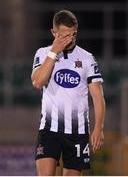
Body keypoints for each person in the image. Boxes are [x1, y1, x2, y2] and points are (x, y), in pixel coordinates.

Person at [31, 9, 106, 176]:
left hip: (77, 132)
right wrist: (54, 52)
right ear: (54, 32)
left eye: (73, 34)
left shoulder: (87, 58)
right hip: (49, 130)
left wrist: (99, 128)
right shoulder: (43, 53)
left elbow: (98, 97)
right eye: (64, 35)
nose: (70, 39)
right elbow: (38, 82)